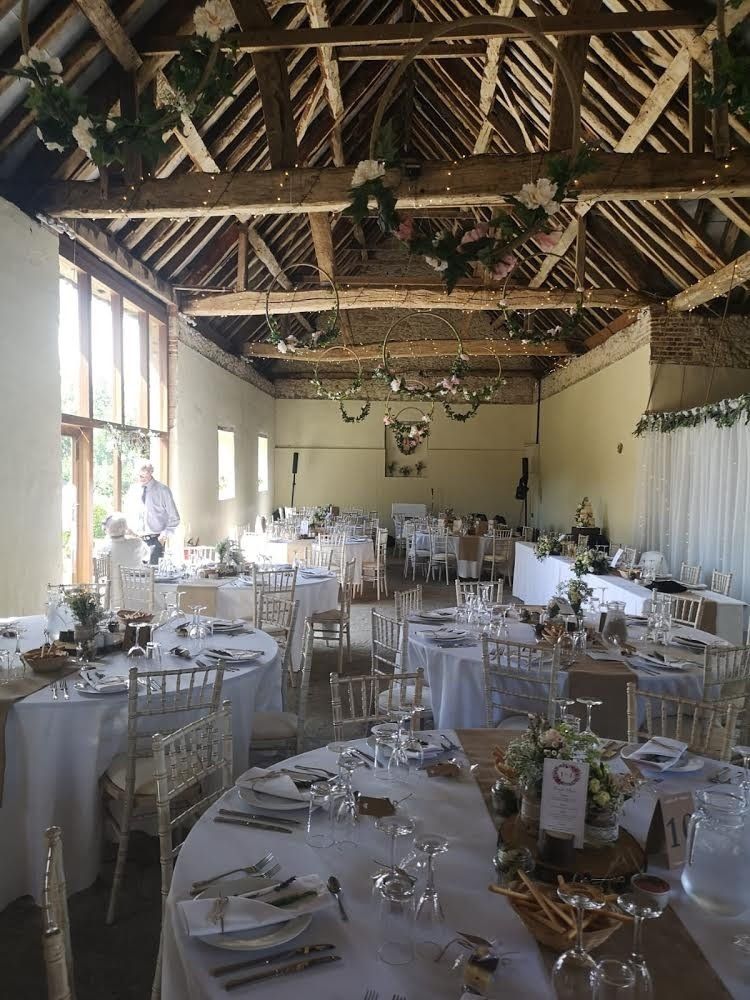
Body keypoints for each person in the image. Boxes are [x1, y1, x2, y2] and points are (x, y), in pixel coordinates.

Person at [126, 462, 180, 565]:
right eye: (138, 474)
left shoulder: (163, 490)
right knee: (134, 577)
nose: (140, 477)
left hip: (155, 542)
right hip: (135, 541)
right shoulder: (133, 491)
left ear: (151, 472)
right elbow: (128, 513)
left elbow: (175, 518)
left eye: (144, 474)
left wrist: (163, 536)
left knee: (153, 578)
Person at [102, 513, 149, 609]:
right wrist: (133, 534)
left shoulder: (103, 547)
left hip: (112, 592)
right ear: (126, 527)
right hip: (138, 591)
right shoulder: (137, 543)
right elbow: (146, 555)